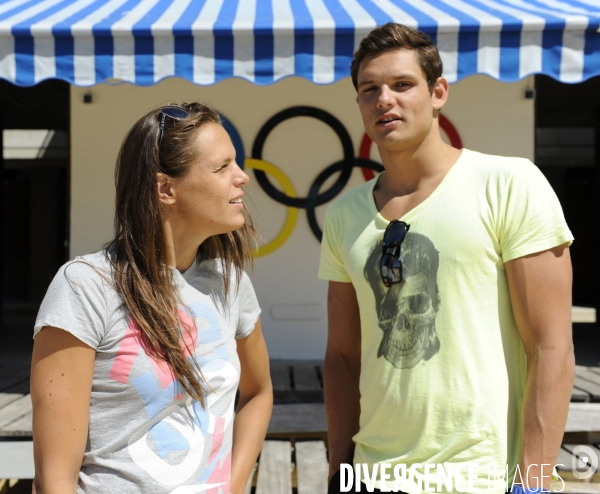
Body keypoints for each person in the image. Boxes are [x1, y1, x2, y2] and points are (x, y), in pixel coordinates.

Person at [319, 23, 574, 494]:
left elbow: (551, 347)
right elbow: (341, 357)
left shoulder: (509, 184)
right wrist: (341, 470)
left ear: (438, 92)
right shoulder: (344, 215)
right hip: (373, 476)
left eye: (402, 85)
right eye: (369, 89)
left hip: (483, 477)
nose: (383, 100)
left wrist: (532, 482)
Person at [30, 102, 273, 494]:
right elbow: (54, 479)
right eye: (222, 167)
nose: (241, 177)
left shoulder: (230, 282)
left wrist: (233, 484)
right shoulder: (85, 287)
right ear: (165, 188)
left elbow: (259, 392)